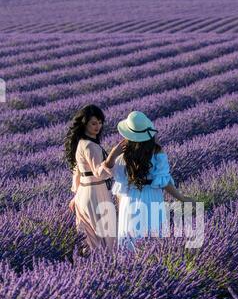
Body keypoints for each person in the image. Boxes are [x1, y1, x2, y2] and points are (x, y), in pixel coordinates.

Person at [102, 110, 196, 251]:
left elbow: (116, 181)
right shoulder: (157, 152)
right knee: (154, 240)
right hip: (152, 197)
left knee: (130, 242)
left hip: (129, 199)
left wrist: (113, 155)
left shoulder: (123, 154)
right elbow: (164, 182)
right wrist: (182, 198)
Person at [65, 104, 125, 255]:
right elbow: (100, 173)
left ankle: (90, 270)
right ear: (85, 124)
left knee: (90, 239)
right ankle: (108, 269)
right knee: (106, 237)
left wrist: (76, 196)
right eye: (93, 123)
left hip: (84, 194)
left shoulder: (81, 144)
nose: (98, 126)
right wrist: (113, 154)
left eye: (100, 122)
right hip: (96, 194)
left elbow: (77, 173)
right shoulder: (90, 146)